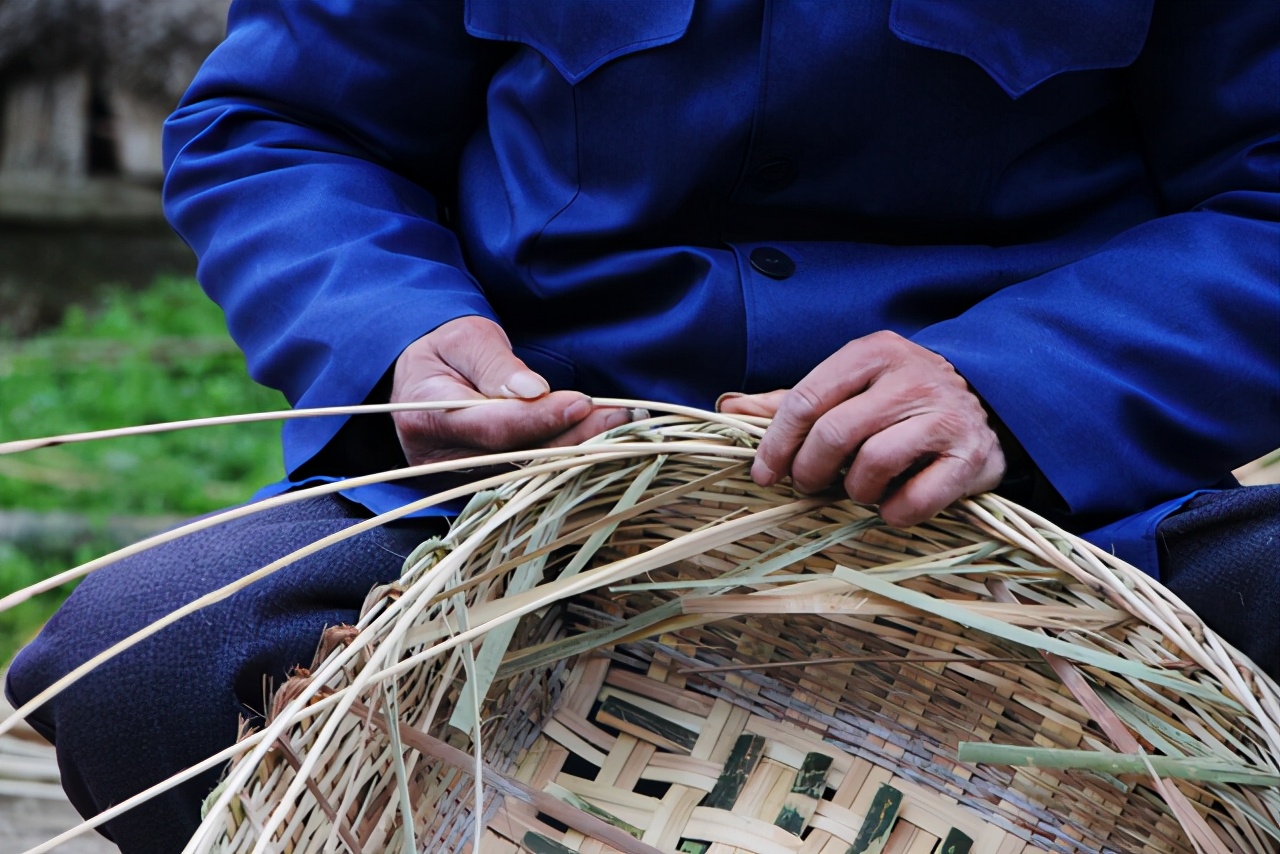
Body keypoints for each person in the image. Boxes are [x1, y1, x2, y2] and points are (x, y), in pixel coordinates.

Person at [7, 2, 1278, 851]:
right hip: (521, 517)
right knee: (143, 665)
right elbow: (288, 124)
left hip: (1058, 519)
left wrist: (1010, 382)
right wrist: (396, 336)